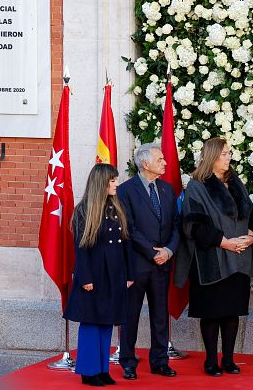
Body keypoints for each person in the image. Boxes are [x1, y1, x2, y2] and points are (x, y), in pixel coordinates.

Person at [174, 138, 253, 376]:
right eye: (224, 154)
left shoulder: (236, 183)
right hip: (210, 259)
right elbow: (194, 224)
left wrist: (251, 236)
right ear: (211, 157)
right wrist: (225, 243)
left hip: (239, 258)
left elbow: (252, 214)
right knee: (212, 312)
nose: (228, 157)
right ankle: (211, 360)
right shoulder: (197, 185)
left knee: (232, 312)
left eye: (229, 153)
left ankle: (229, 360)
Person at [64, 164, 134, 387]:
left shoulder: (115, 207)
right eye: (112, 180)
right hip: (94, 275)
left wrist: (129, 273)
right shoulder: (85, 210)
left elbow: (126, 244)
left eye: (116, 180)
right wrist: (85, 278)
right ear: (101, 183)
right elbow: (81, 248)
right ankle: (88, 371)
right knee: (92, 323)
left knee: (106, 322)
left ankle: (102, 369)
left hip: (114, 274)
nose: (116, 184)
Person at [117, 142, 181, 380]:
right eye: (160, 160)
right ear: (145, 163)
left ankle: (160, 361)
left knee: (160, 314)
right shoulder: (125, 190)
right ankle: (128, 361)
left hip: (163, 264)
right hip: (137, 264)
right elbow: (129, 227)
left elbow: (176, 224)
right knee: (130, 315)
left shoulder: (166, 189)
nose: (165, 163)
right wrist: (152, 252)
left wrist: (168, 251)